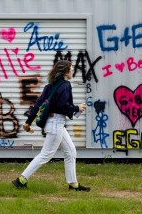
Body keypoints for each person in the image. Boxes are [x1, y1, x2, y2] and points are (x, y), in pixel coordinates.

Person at [12, 60, 90, 192]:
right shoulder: (65, 85)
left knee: (71, 152)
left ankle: (73, 184)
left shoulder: (50, 86)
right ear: (65, 71)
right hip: (56, 124)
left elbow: (38, 103)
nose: (72, 71)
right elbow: (62, 106)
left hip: (53, 123)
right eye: (71, 69)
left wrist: (28, 122)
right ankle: (21, 180)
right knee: (45, 155)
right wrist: (77, 107)